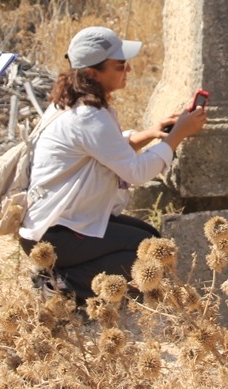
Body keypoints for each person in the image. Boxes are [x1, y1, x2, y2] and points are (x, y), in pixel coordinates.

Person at [18, 26, 207, 302]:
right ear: (94, 73)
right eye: (119, 66)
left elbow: (107, 148)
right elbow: (138, 171)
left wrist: (153, 133)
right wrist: (179, 135)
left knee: (150, 237)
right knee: (147, 256)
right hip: (54, 236)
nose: (127, 70)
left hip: (60, 226)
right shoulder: (89, 116)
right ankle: (60, 286)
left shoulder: (76, 105)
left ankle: (64, 277)